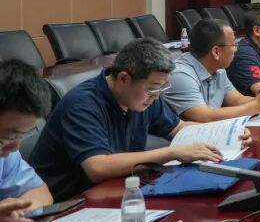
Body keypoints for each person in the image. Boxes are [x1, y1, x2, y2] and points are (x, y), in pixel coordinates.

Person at [30, 39, 245, 200]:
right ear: (123, 78)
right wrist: (171, 152)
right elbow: (97, 167)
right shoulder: (82, 105)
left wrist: (228, 133)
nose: (156, 96)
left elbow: (179, 128)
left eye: (161, 88)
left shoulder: (143, 96)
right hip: (71, 202)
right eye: (152, 88)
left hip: (119, 189)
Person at [163, 19, 260, 122]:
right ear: (216, 52)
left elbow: (237, 100)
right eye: (233, 45)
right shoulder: (180, 75)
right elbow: (204, 117)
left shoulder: (219, 70)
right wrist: (256, 106)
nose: (236, 49)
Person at [0, 61, 54, 222]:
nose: (15, 147)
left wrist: (19, 212)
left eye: (20, 136)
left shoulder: (6, 155)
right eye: (8, 137)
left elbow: (39, 192)